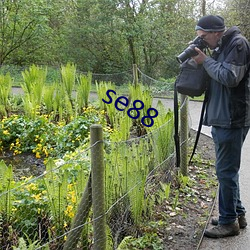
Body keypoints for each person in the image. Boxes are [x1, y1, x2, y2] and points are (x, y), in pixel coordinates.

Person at [192, 15, 250, 238]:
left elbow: (229, 77)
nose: (203, 41)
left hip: (232, 118)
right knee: (227, 171)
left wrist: (205, 61)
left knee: (225, 171)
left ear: (216, 32)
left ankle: (228, 223)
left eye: (204, 37)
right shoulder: (221, 46)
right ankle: (237, 214)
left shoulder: (238, 44)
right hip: (222, 117)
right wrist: (202, 60)